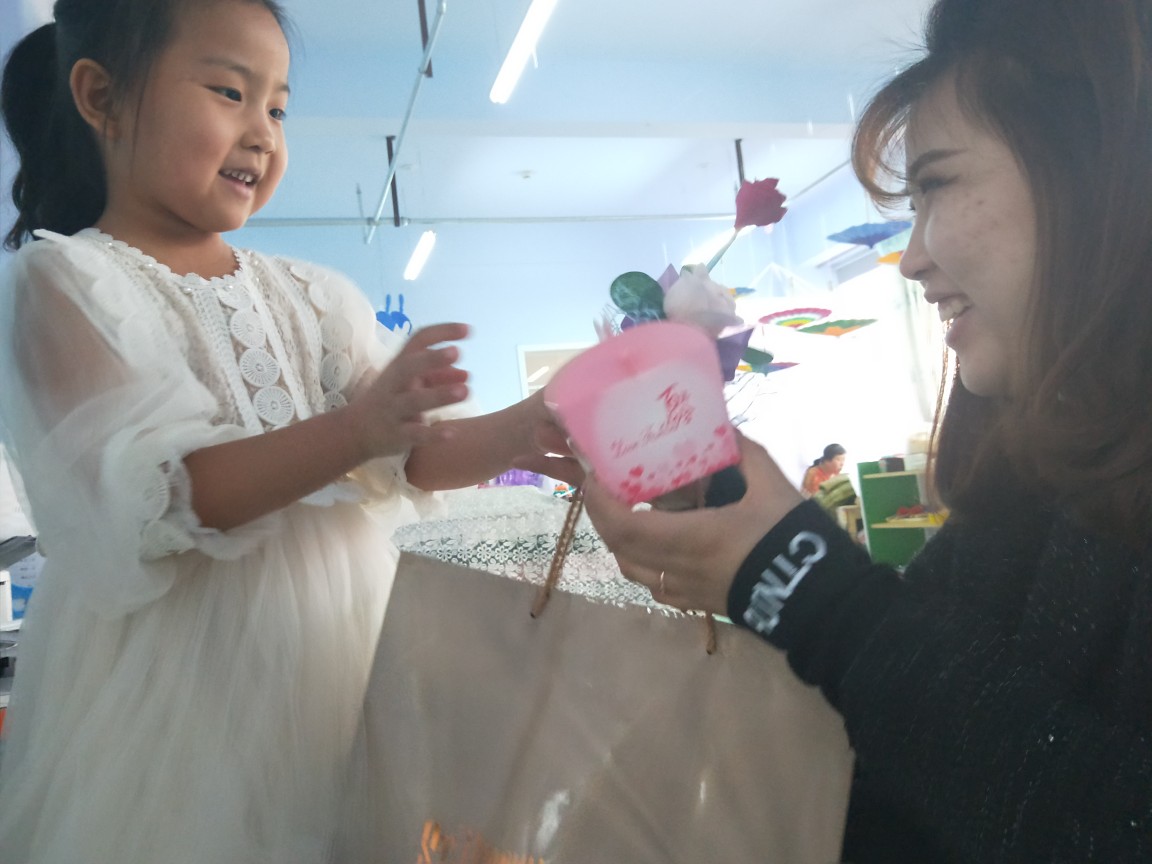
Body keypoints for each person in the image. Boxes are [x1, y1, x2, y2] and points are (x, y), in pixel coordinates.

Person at [577, 0, 1152, 860]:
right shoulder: (1039, 487)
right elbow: (921, 731)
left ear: (1096, 167)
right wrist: (741, 541)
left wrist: (802, 584)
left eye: (938, 186)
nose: (912, 257)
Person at [0, 1, 567, 860]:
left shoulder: (316, 294)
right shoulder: (65, 282)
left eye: (278, 107)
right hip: (179, 695)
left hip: (347, 655)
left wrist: (518, 431)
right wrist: (354, 431)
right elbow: (162, 498)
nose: (262, 132)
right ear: (101, 98)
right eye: (230, 92)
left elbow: (410, 451)